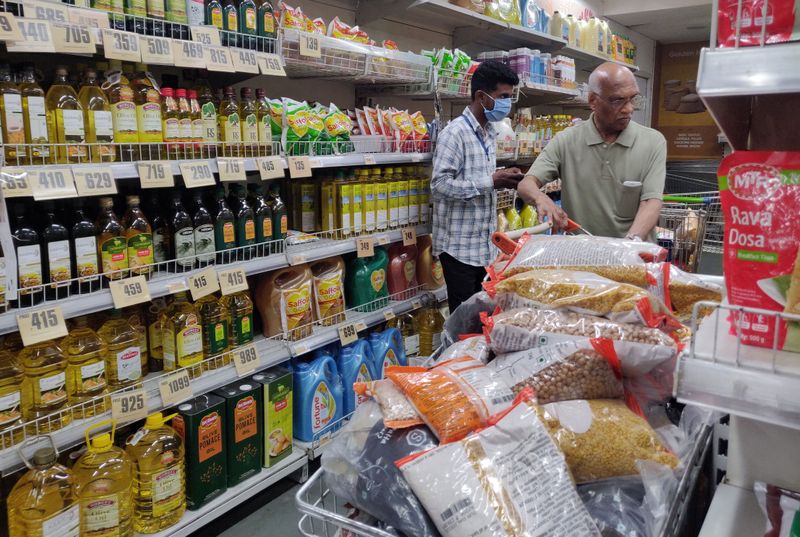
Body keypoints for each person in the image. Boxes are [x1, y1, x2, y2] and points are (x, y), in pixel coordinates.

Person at [518, 62, 667, 241]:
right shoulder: (566, 140)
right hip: (582, 257)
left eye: (633, 99)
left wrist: (629, 245)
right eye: (618, 100)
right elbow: (526, 184)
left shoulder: (652, 141)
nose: (629, 109)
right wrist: (541, 198)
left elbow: (651, 202)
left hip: (633, 256)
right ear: (592, 101)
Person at [431, 60, 524, 312]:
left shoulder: (488, 132)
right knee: (464, 325)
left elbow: (476, 179)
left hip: (483, 248)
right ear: (481, 97)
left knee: (481, 319)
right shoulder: (455, 134)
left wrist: (501, 178)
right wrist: (490, 182)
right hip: (458, 251)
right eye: (503, 96)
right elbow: (439, 185)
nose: (507, 103)